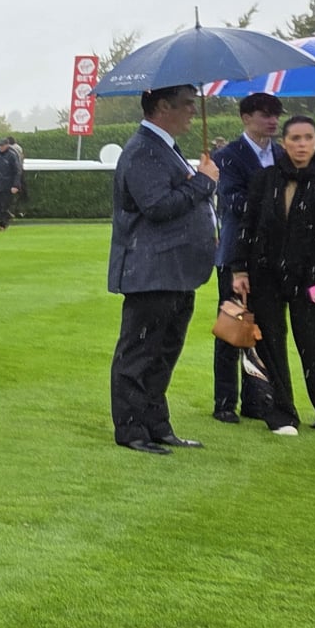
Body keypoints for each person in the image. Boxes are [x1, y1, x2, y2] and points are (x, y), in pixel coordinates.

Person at [107, 85, 220, 454]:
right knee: (139, 354)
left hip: (173, 271)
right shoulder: (143, 150)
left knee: (163, 354)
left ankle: (157, 425)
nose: (192, 111)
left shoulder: (164, 148)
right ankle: (132, 430)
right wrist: (203, 183)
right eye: (186, 105)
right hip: (151, 271)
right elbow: (156, 206)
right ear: (161, 107)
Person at [230, 114, 315, 435]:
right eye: (295, 139)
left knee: (314, 345)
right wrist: (240, 269)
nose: (301, 144)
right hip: (265, 274)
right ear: (284, 143)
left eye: (307, 138)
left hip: (312, 278)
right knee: (270, 343)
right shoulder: (265, 179)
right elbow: (248, 226)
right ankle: (282, 413)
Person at [210, 92, 283, 424]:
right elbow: (232, 201)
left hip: (272, 257)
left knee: (262, 329)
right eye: (265, 114)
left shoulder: (282, 154)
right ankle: (224, 401)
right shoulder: (228, 157)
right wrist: (274, 205)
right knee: (232, 326)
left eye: (276, 114)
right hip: (236, 254)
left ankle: (256, 400)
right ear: (245, 118)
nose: (272, 120)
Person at [0, 135, 23, 230]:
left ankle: (2, 225)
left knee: (3, 205)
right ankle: (7, 214)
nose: (0, 147)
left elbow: (17, 171)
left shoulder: (12, 155)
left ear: (7, 145)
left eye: (2, 145)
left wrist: (16, 185)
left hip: (8, 184)